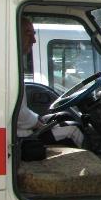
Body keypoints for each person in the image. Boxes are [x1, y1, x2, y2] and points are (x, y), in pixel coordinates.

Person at [18, 17, 84, 147]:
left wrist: (38, 120)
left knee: (64, 116)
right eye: (28, 34)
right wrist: (39, 124)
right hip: (23, 137)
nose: (33, 40)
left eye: (34, 34)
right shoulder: (8, 68)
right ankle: (93, 164)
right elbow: (19, 115)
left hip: (25, 128)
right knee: (74, 131)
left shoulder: (15, 64)